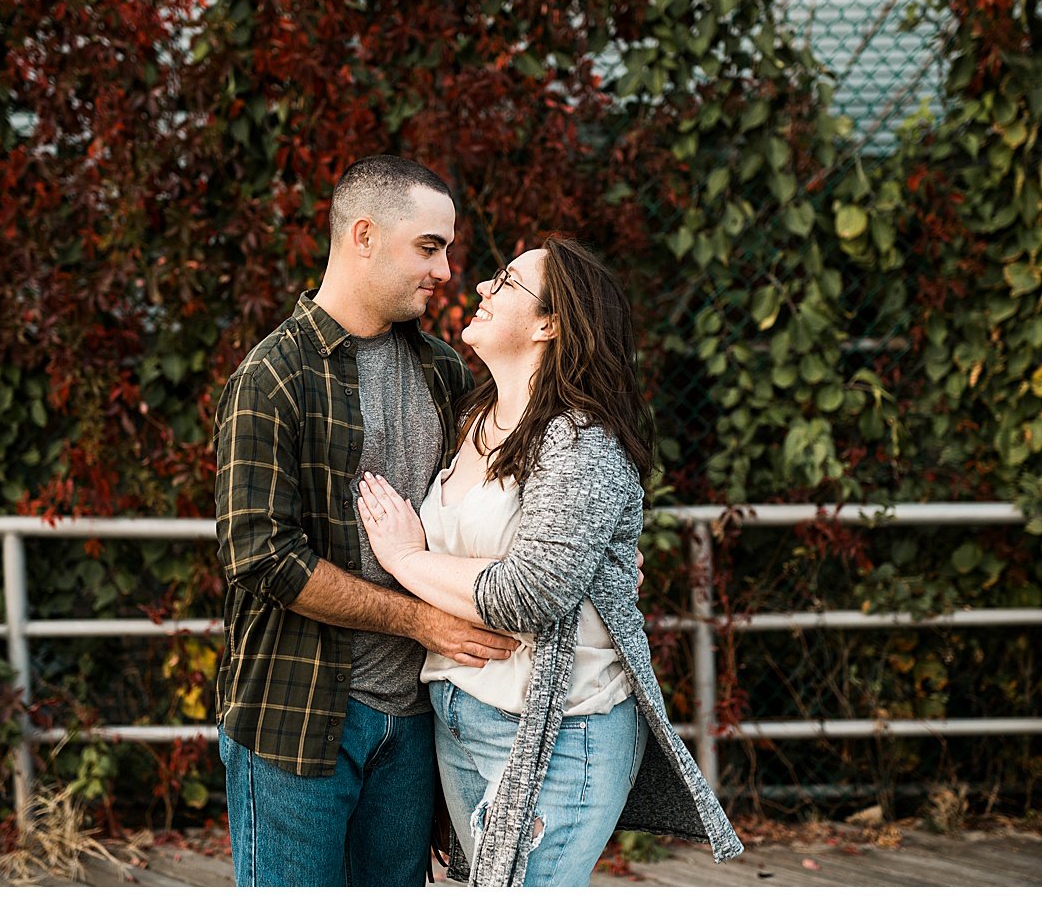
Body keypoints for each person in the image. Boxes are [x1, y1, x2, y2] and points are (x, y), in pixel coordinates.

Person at [355, 236, 744, 886]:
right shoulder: (473, 417)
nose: (480, 287)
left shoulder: (579, 438)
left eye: (504, 283)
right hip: (458, 712)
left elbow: (529, 595)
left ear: (550, 322)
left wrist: (404, 556)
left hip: (560, 733)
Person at [211, 155, 521, 887]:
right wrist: (418, 619)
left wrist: (594, 558)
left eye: (444, 248)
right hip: (298, 720)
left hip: (417, 720)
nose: (446, 269)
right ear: (363, 236)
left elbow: (488, 513)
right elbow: (261, 557)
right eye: (429, 246)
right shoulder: (273, 376)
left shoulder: (444, 372)